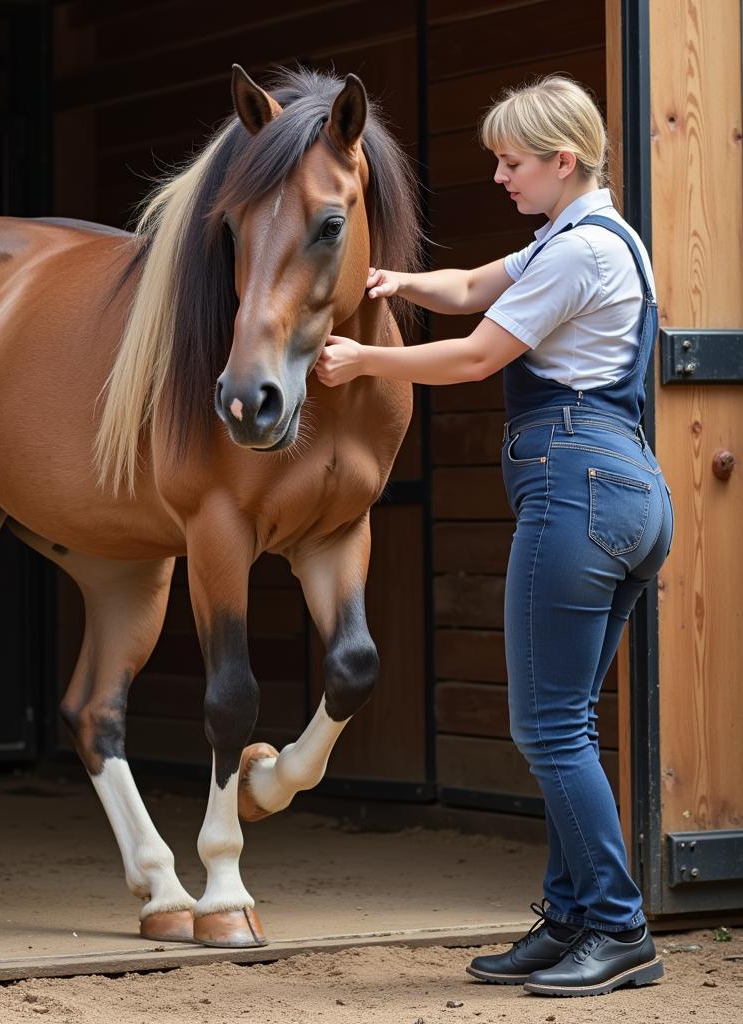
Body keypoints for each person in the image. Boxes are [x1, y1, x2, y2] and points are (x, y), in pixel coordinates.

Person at [317, 75, 672, 998]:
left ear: (563, 161)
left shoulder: (576, 255)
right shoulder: (592, 237)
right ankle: (569, 918)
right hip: (627, 491)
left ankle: (620, 926)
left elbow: (477, 352)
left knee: (546, 729)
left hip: (577, 490)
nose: (502, 177)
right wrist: (392, 281)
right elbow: (473, 284)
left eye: (513, 163)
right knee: (571, 726)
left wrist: (366, 357)